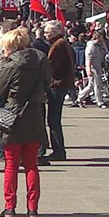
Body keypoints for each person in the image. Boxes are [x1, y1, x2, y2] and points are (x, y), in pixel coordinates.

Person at [0, 26, 51, 217]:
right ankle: (33, 207)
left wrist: (1, 65)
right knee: (31, 164)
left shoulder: (10, 64)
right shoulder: (41, 58)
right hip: (35, 113)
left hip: (13, 114)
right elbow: (47, 81)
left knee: (11, 164)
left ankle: (10, 206)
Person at [41, 21, 74, 163]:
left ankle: (58, 150)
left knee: (53, 120)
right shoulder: (60, 43)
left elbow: (51, 66)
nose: (45, 35)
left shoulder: (58, 45)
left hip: (57, 85)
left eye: (47, 33)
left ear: (55, 32)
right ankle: (57, 149)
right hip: (60, 84)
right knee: (54, 119)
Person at [77, 29, 109, 108]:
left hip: (98, 66)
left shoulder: (99, 45)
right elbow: (88, 58)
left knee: (91, 85)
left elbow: (105, 51)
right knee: (97, 85)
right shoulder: (91, 46)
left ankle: (79, 98)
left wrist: (103, 44)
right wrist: (88, 69)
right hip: (93, 67)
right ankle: (100, 102)